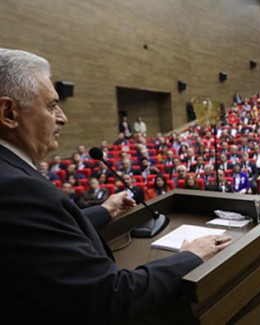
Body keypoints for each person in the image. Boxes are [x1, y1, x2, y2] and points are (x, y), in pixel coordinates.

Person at [0, 48, 231, 323]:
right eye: (51, 106)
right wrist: (190, 257)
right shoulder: (16, 189)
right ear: (9, 113)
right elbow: (109, 297)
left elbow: (45, 229)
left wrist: (105, 210)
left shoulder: (12, 179)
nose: (62, 118)